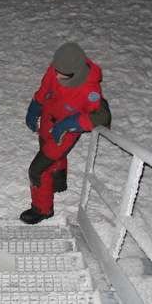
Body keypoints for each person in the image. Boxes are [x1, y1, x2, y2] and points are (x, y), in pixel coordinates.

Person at [21, 42, 111, 224]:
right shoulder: (57, 67)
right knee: (48, 151)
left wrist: (71, 123)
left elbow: (102, 116)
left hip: (65, 133)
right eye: (56, 70)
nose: (56, 74)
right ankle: (58, 182)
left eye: (62, 74)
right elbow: (45, 89)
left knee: (37, 170)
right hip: (48, 120)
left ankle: (42, 209)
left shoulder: (89, 89)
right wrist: (35, 106)